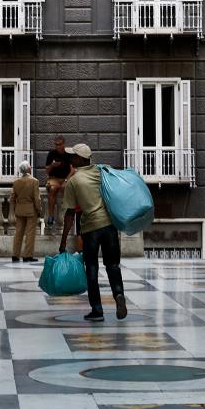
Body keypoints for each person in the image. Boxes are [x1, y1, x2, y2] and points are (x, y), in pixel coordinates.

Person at [59, 143, 127, 323]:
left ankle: (97, 310)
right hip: (110, 227)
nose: (70, 158)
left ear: (80, 159)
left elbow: (69, 213)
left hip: (90, 229)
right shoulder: (101, 171)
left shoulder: (74, 181)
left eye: (73, 156)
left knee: (92, 269)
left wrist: (63, 240)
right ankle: (119, 294)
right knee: (113, 265)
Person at [10, 161, 41, 262]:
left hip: (19, 210)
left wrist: (14, 209)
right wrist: (39, 209)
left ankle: (15, 254)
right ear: (28, 169)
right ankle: (27, 255)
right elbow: (37, 198)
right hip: (31, 210)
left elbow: (12, 198)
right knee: (30, 234)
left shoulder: (16, 182)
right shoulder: (34, 181)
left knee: (18, 233)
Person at [45, 135, 71, 226]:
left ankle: (68, 215)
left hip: (65, 178)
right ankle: (51, 216)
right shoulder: (51, 154)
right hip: (54, 178)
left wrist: (66, 181)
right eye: (56, 145)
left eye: (60, 144)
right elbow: (47, 171)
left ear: (64, 144)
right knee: (52, 189)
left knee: (70, 190)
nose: (58, 146)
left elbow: (72, 170)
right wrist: (52, 165)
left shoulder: (68, 154)